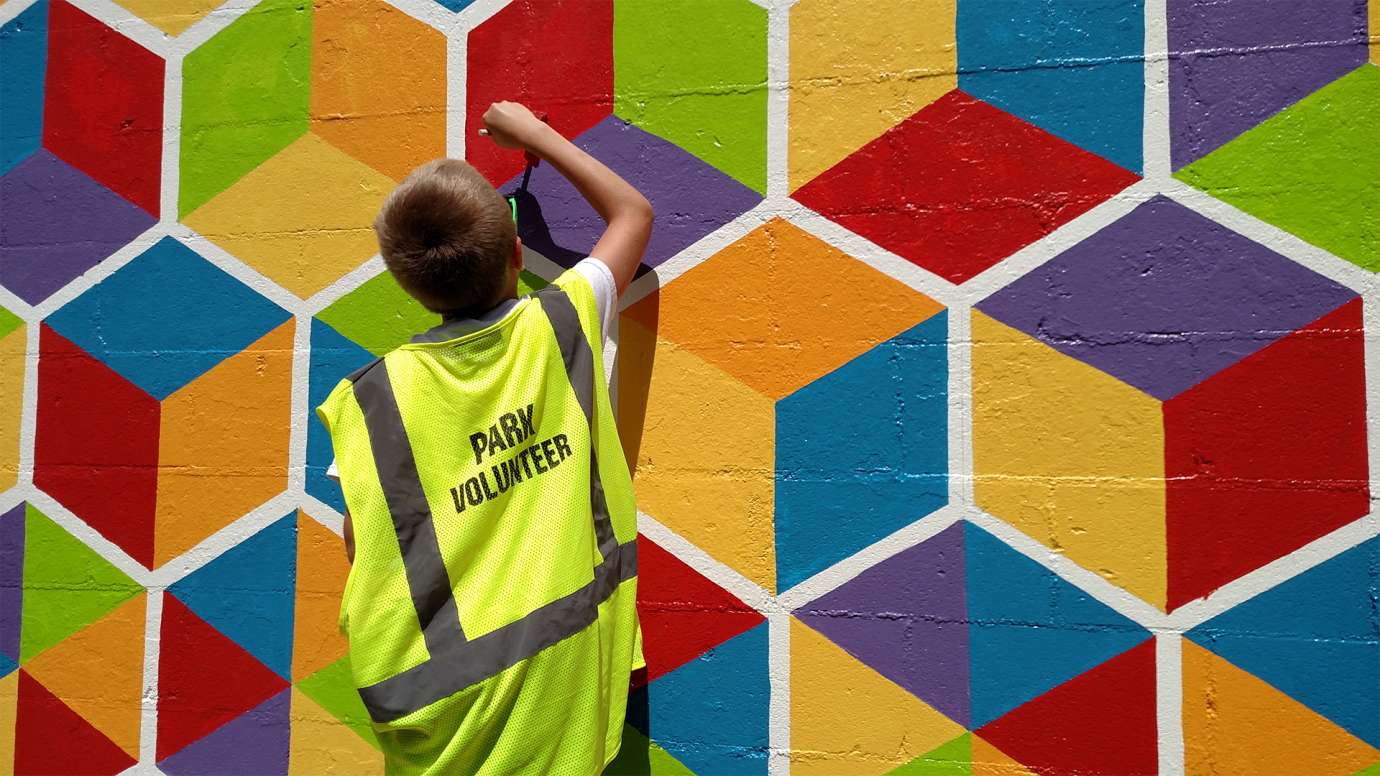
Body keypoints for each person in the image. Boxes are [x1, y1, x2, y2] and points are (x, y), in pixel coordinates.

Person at [315, 100, 653, 775]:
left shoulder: (373, 397)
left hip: (428, 700)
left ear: (408, 284)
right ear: (518, 255)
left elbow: (363, 540)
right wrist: (533, 134)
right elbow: (632, 215)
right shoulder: (562, 324)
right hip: (549, 688)